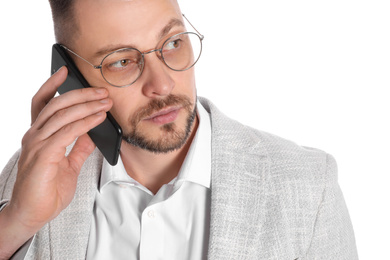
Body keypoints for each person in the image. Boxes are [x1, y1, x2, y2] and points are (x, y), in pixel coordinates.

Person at [0, 0, 358, 259]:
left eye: (173, 43)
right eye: (123, 61)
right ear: (70, 78)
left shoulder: (308, 188)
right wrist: (16, 223)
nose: (164, 83)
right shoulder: (29, 178)